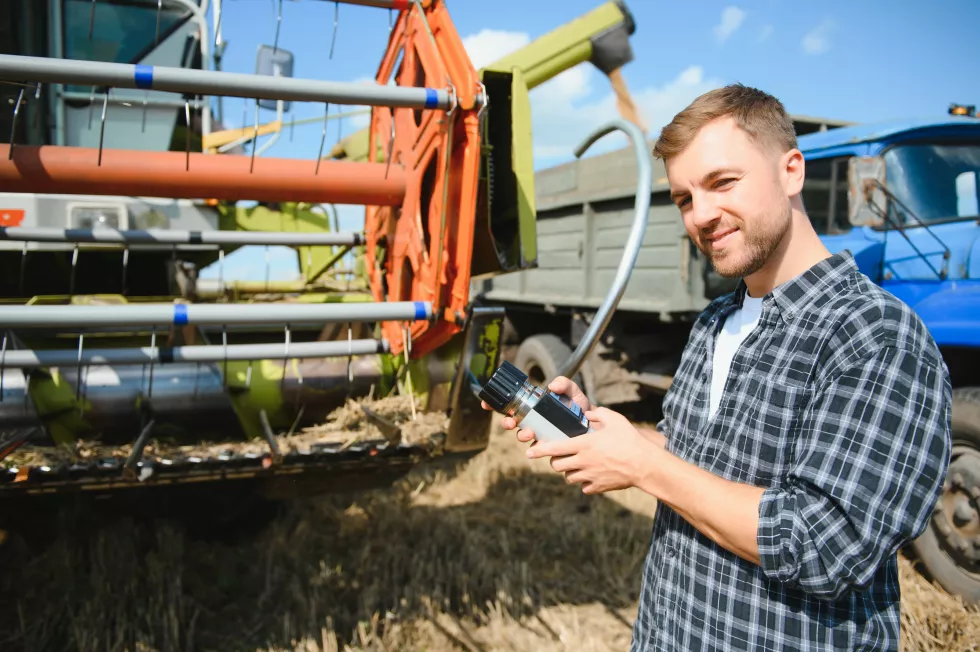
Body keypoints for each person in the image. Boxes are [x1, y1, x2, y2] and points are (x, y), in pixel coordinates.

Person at [484, 84, 952, 650]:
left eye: (722, 182)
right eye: (683, 198)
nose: (701, 215)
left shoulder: (875, 335)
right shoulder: (713, 322)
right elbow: (696, 464)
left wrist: (641, 469)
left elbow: (826, 546)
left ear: (791, 171)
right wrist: (613, 437)